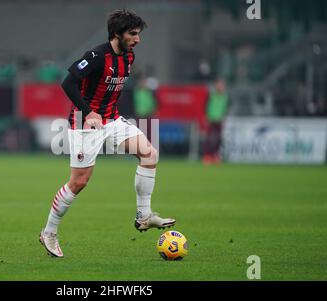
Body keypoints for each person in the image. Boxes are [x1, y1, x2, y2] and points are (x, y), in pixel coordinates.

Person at [39, 9, 175, 258]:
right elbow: (67, 83)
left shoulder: (129, 58)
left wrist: (107, 114)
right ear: (117, 34)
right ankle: (48, 232)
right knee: (79, 182)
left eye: (138, 34)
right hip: (84, 122)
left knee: (149, 153)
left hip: (111, 119)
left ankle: (144, 215)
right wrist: (89, 112)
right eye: (132, 34)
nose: (137, 39)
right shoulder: (96, 56)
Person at [203, 79, 229, 164]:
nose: (221, 87)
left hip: (219, 120)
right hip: (211, 119)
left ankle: (215, 156)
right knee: (210, 138)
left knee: (218, 139)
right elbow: (206, 106)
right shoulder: (212, 95)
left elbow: (225, 108)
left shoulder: (225, 97)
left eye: (222, 85)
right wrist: (207, 117)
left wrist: (223, 118)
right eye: (219, 85)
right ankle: (207, 156)